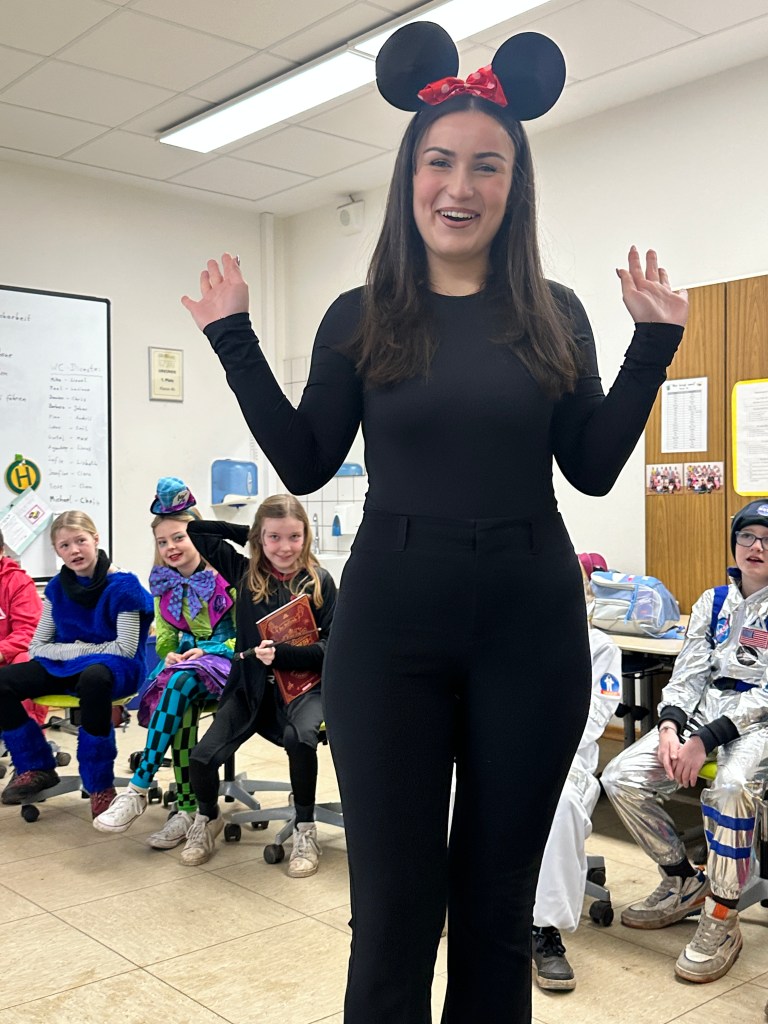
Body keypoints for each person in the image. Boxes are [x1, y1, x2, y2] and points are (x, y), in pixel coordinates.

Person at [180, 21, 687, 1022]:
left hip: (530, 627)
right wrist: (233, 337)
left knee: (496, 915)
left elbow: (589, 468)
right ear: (410, 176)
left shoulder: (556, 313)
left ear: (515, 185)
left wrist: (652, 348)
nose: (461, 185)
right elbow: (306, 459)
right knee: (394, 917)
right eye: (440, 161)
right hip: (391, 628)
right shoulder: (360, 313)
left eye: (487, 165)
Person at [601, 499, 768, 984]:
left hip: (758, 723)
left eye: (767, 540)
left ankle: (723, 915)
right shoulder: (712, 602)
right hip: (702, 712)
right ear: (735, 544)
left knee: (731, 789)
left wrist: (706, 739)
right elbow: (689, 673)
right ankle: (681, 880)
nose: (756, 547)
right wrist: (671, 727)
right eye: (747, 537)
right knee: (621, 776)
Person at [180, 494, 336, 873]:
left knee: (301, 739)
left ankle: (305, 827)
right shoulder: (246, 573)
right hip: (250, 688)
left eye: (294, 537)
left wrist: (284, 656)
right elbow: (197, 530)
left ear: (306, 536)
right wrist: (251, 536)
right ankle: (208, 817)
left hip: (304, 688)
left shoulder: (319, 582)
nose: (285, 547)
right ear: (260, 538)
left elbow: (332, 648)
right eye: (273, 537)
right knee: (201, 757)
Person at [94, 477, 238, 848]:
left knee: (178, 683)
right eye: (163, 541)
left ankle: (139, 786)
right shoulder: (163, 583)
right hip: (186, 670)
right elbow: (166, 641)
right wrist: (169, 653)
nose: (171, 547)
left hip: (228, 662)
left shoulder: (228, 574)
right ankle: (188, 811)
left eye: (179, 537)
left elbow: (246, 636)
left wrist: (209, 650)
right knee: (180, 694)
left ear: (199, 536)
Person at [0, 511, 153, 816]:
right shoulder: (57, 588)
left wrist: (72, 650)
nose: (74, 550)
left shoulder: (124, 586)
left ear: (95, 539)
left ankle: (100, 784)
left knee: (94, 678)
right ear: (57, 550)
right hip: (68, 665)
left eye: (80, 541)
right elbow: (38, 646)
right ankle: (36, 765)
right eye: (65, 545)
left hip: (117, 669)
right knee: (3, 682)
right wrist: (82, 650)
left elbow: (124, 648)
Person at [532, 558, 622, 991]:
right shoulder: (515, 638)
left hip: (568, 761)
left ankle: (543, 931)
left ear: (588, 595)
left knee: (560, 805)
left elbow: (595, 717)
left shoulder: (600, 648)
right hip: (506, 754)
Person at [0, 526, 48, 729]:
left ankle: (28, 740)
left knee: (26, 661)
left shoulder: (18, 582)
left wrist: (2, 652)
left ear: (1, 552)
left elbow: (30, 630)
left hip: (10, 658)